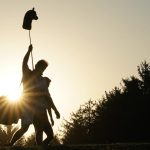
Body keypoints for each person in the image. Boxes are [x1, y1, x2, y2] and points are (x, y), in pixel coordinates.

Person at [9, 45, 59, 146]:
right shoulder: (27, 74)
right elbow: (24, 63)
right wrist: (28, 51)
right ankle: (10, 144)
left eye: (43, 68)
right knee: (25, 128)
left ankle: (40, 147)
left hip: (41, 109)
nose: (41, 69)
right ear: (36, 66)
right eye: (40, 67)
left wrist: (55, 110)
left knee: (50, 135)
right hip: (28, 107)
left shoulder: (43, 80)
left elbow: (48, 97)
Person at [33, 76, 60, 145]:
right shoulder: (37, 90)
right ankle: (39, 146)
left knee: (50, 136)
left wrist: (51, 118)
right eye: (47, 84)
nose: (48, 85)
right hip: (36, 114)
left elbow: (49, 106)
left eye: (48, 84)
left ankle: (41, 146)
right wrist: (55, 111)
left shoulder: (47, 92)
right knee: (39, 132)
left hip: (44, 115)